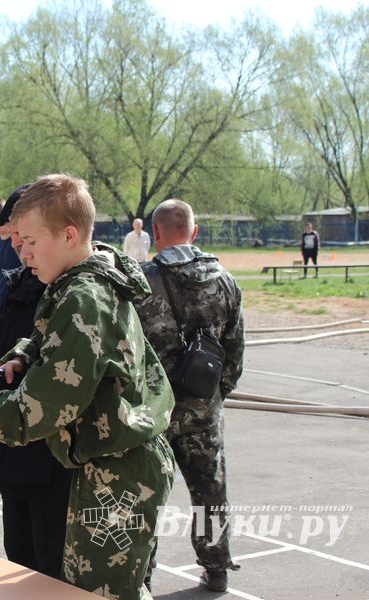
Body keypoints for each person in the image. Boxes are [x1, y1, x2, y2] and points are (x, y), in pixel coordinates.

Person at [0, 174, 176, 600]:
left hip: (115, 474)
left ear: (69, 234)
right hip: (111, 465)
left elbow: (34, 412)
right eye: (16, 241)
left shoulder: (82, 299)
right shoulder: (78, 281)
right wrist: (20, 355)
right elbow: (46, 338)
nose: (22, 253)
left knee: (97, 595)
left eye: (30, 241)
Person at [133, 198, 245, 593]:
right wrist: (213, 397)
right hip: (203, 409)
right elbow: (234, 351)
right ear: (194, 233)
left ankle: (141, 574)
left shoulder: (141, 281)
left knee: (146, 493)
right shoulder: (225, 279)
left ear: (155, 233)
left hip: (155, 412)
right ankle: (217, 568)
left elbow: (128, 351)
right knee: (210, 490)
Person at [0, 183, 72, 579]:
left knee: (49, 567)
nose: (16, 250)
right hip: (11, 446)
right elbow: (7, 334)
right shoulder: (20, 280)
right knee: (19, 556)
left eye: (21, 239)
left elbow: (50, 380)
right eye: (10, 239)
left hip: (45, 450)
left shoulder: (69, 293)